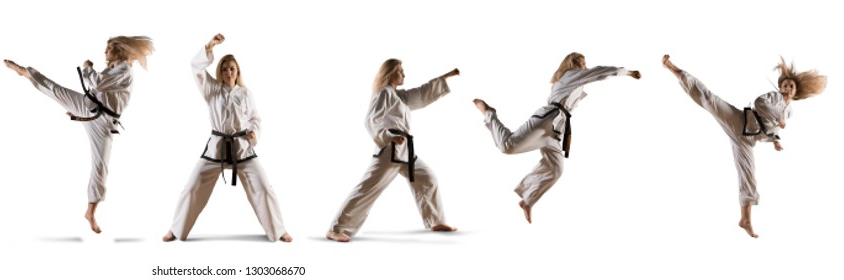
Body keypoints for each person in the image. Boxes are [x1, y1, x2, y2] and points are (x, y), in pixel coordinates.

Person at [661, 54, 826, 238]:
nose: (787, 88)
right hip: (738, 122)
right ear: (780, 87)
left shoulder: (789, 112)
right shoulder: (774, 97)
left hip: (747, 141)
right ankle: (674, 70)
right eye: (784, 85)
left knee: (748, 177)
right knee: (709, 99)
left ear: (795, 92)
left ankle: (745, 220)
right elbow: (759, 103)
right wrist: (777, 117)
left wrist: (775, 141)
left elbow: (769, 129)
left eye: (791, 86)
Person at [4, 36, 154, 234]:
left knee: (100, 167)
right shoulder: (114, 68)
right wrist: (78, 112)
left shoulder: (124, 70)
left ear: (119, 51)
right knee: (55, 90)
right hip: (88, 108)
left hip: (103, 122)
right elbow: (99, 91)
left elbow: (98, 83)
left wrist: (87, 67)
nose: (105, 52)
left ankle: (90, 212)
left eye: (108, 48)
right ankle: (25, 72)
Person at [471, 52, 640, 224]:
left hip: (556, 130)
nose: (585, 65)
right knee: (507, 146)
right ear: (573, 64)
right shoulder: (571, 76)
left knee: (556, 169)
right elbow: (599, 72)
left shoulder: (573, 80)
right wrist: (627, 72)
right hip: (547, 120)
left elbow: (591, 76)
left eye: (584, 62)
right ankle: (489, 113)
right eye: (581, 62)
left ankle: (527, 200)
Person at [162, 34, 292, 243]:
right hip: (217, 148)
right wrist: (209, 46)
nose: (228, 72)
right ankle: (176, 230)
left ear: (237, 71)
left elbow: (255, 118)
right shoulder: (212, 89)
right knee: (192, 187)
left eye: (232, 68)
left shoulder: (245, 93)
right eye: (224, 69)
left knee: (265, 188)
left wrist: (253, 132)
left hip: (242, 148)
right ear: (220, 72)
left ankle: (278, 230)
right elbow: (195, 67)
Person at [325, 58, 460, 242]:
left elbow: (421, 93)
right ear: (389, 73)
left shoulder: (399, 96)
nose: (404, 74)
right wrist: (388, 136)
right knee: (367, 189)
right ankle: (336, 228)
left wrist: (446, 77)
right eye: (400, 70)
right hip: (390, 148)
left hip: (404, 149)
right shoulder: (384, 93)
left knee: (426, 177)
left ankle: (434, 221)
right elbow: (371, 120)